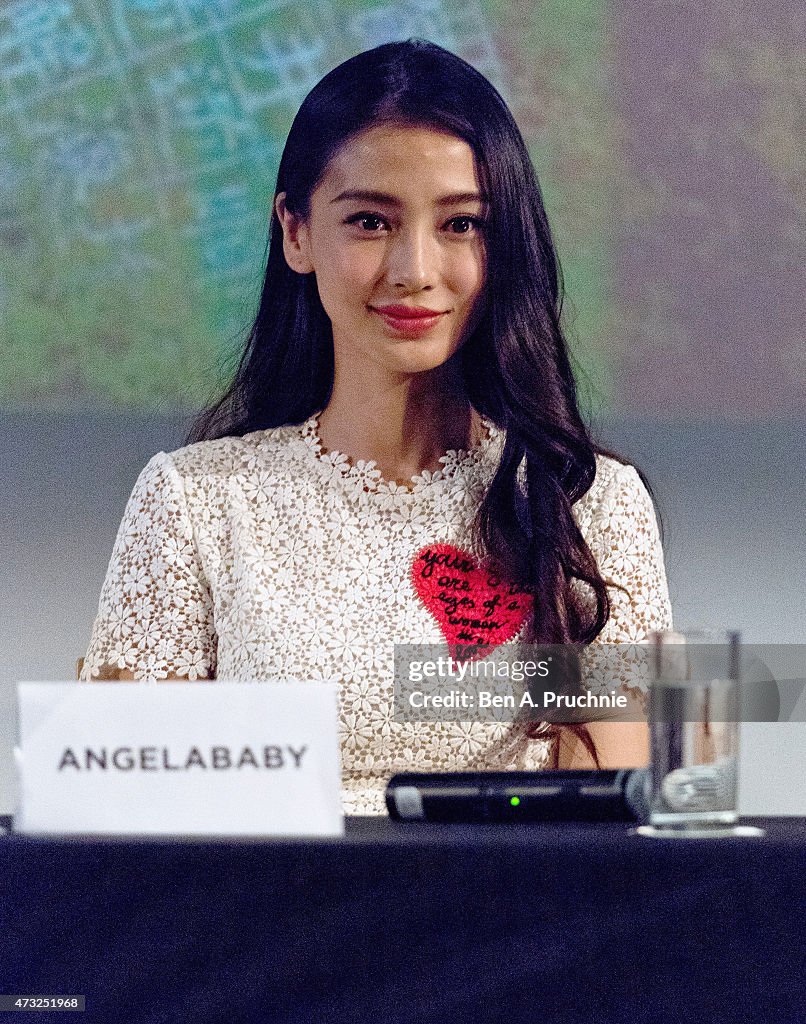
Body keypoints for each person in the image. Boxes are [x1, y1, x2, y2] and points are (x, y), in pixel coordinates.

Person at [81, 40, 672, 814]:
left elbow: (611, 821)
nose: (414, 269)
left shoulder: (591, 500)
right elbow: (111, 814)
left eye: (462, 224)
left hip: (519, 924)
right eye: (369, 221)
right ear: (296, 233)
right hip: (263, 923)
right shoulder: (196, 502)